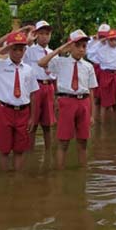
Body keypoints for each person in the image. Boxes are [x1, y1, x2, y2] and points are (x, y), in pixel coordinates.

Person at [0, 31, 40, 171]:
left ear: (25, 50)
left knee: (20, 149)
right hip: (4, 111)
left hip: (23, 111)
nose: (17, 52)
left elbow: (33, 94)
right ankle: (5, 179)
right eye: (14, 49)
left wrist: (32, 117)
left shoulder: (29, 70)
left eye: (21, 49)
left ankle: (17, 179)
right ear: (9, 49)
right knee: (4, 150)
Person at [38, 29, 99, 169]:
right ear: (70, 46)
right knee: (63, 141)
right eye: (77, 45)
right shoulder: (60, 62)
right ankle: (60, 171)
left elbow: (91, 91)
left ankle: (82, 171)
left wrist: (92, 115)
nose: (81, 49)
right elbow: (42, 63)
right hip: (66, 101)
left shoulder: (88, 66)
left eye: (84, 46)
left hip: (83, 102)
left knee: (83, 141)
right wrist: (60, 49)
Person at [23, 20, 57, 150]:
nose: (44, 36)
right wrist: (28, 40)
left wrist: (56, 96)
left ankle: (48, 152)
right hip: (34, 87)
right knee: (32, 122)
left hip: (49, 87)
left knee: (48, 124)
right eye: (41, 33)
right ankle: (29, 151)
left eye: (47, 33)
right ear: (36, 34)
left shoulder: (53, 52)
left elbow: (56, 75)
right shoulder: (29, 50)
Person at [95, 29, 116, 122]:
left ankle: (114, 125)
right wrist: (100, 42)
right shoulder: (102, 50)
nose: (113, 42)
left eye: (115, 39)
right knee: (105, 103)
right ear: (107, 40)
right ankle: (103, 127)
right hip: (107, 76)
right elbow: (90, 53)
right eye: (111, 40)